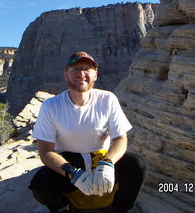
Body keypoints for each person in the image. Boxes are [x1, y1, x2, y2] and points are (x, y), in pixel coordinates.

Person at [29, 51, 148, 213]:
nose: (81, 73)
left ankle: (122, 209)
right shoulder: (51, 106)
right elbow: (45, 152)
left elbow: (120, 139)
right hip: (70, 162)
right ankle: (63, 208)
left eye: (87, 68)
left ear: (96, 74)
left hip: (101, 159)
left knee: (137, 165)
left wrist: (108, 162)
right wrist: (72, 173)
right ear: (66, 74)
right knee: (40, 184)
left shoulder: (108, 99)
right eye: (75, 68)